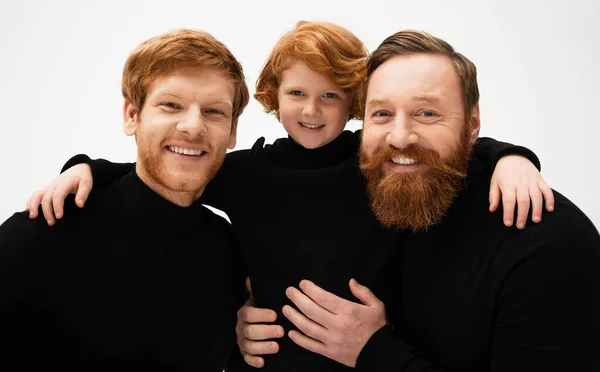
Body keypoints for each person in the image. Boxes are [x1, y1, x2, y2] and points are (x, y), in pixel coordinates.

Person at [26, 22, 554, 372]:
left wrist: (513, 156)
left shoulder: (372, 162)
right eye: (297, 93)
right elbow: (170, 163)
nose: (312, 110)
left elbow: (442, 149)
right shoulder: (249, 172)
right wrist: (86, 167)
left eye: (331, 96)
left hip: (369, 355)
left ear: (353, 102)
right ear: (272, 96)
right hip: (270, 362)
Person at [263, 30, 600, 371]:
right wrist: (250, 315)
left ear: (472, 125)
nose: (399, 137)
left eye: (426, 114)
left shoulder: (547, 244)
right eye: (381, 114)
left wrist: (374, 351)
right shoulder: (376, 187)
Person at [0, 28, 249, 370]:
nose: (193, 126)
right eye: (171, 105)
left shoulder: (229, 249)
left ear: (233, 131)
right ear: (132, 116)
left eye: (213, 112)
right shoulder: (46, 230)